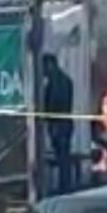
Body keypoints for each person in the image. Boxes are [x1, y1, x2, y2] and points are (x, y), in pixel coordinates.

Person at [42, 53, 76, 193]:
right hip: (64, 123)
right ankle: (65, 186)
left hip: (59, 123)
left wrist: (48, 117)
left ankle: (64, 187)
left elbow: (55, 102)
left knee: (62, 156)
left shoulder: (56, 82)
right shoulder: (65, 80)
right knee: (63, 156)